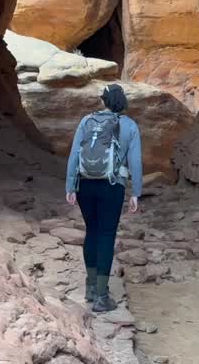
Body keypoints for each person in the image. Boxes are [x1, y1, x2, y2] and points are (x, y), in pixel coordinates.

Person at [65, 83, 142, 313]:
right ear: (122, 101)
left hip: (85, 184)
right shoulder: (129, 126)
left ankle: (89, 289)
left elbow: (74, 154)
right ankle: (101, 295)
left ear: (104, 101)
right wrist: (136, 192)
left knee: (92, 232)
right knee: (107, 235)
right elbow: (135, 161)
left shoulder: (87, 121)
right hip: (112, 185)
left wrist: (70, 185)